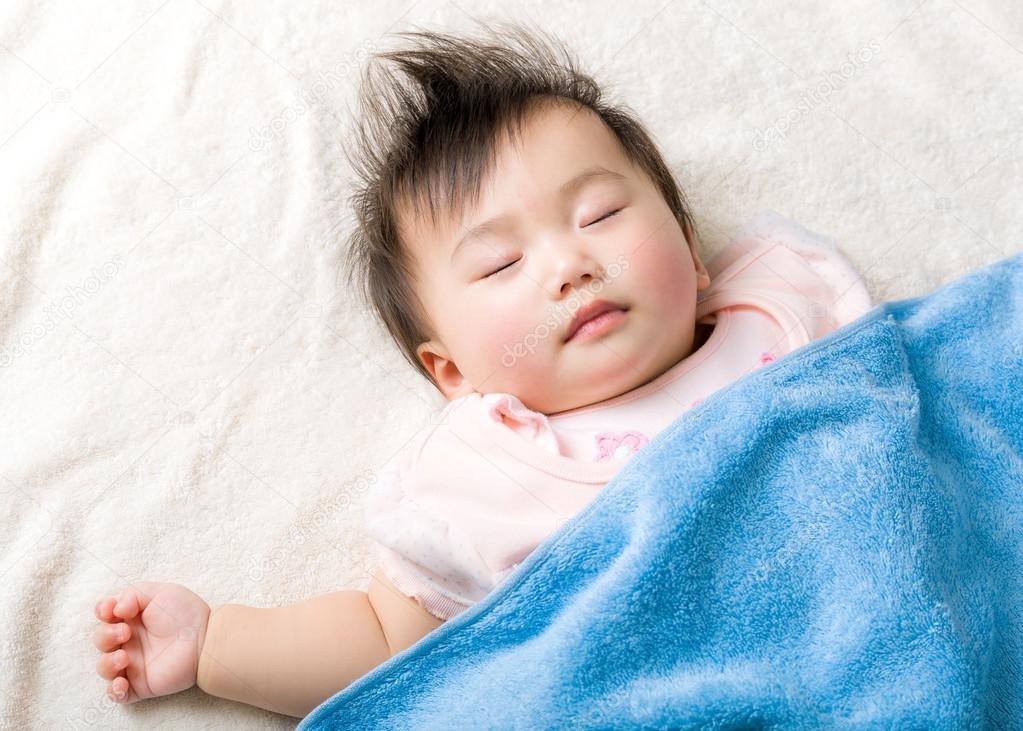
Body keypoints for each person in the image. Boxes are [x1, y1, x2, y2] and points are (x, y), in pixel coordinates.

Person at [91, 20, 873, 718]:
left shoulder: (784, 306)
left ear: (691, 251)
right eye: (501, 264)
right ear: (453, 372)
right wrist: (220, 643)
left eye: (599, 214)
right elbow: (386, 643)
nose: (569, 264)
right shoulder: (494, 476)